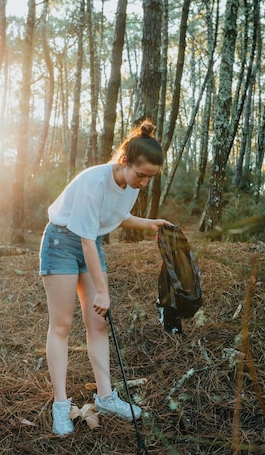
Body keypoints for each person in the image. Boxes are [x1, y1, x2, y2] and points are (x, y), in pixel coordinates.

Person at [39, 119, 171, 436]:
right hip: (61, 242)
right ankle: (61, 405)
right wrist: (102, 290)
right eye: (141, 175)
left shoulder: (129, 185)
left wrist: (150, 223)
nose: (143, 183)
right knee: (62, 325)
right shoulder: (95, 182)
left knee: (97, 324)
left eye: (150, 178)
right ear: (124, 162)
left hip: (90, 241)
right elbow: (84, 240)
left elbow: (116, 217)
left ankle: (106, 397)